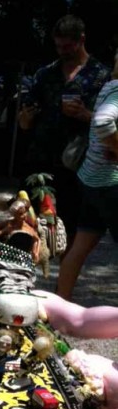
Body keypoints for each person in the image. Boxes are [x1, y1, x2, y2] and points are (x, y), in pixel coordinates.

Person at [17, 16, 110, 239]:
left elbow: (112, 124)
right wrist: (24, 120)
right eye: (58, 46)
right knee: (25, 219)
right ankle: (20, 268)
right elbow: (26, 114)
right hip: (40, 161)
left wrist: (86, 115)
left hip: (76, 164)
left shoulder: (101, 76)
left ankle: (63, 271)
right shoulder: (45, 74)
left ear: (82, 40)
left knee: (69, 227)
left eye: (68, 46)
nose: (62, 51)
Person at [56, 51, 118, 299]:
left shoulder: (110, 86)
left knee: (81, 245)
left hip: (91, 179)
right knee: (81, 244)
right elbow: (103, 123)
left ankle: (60, 306)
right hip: (111, 183)